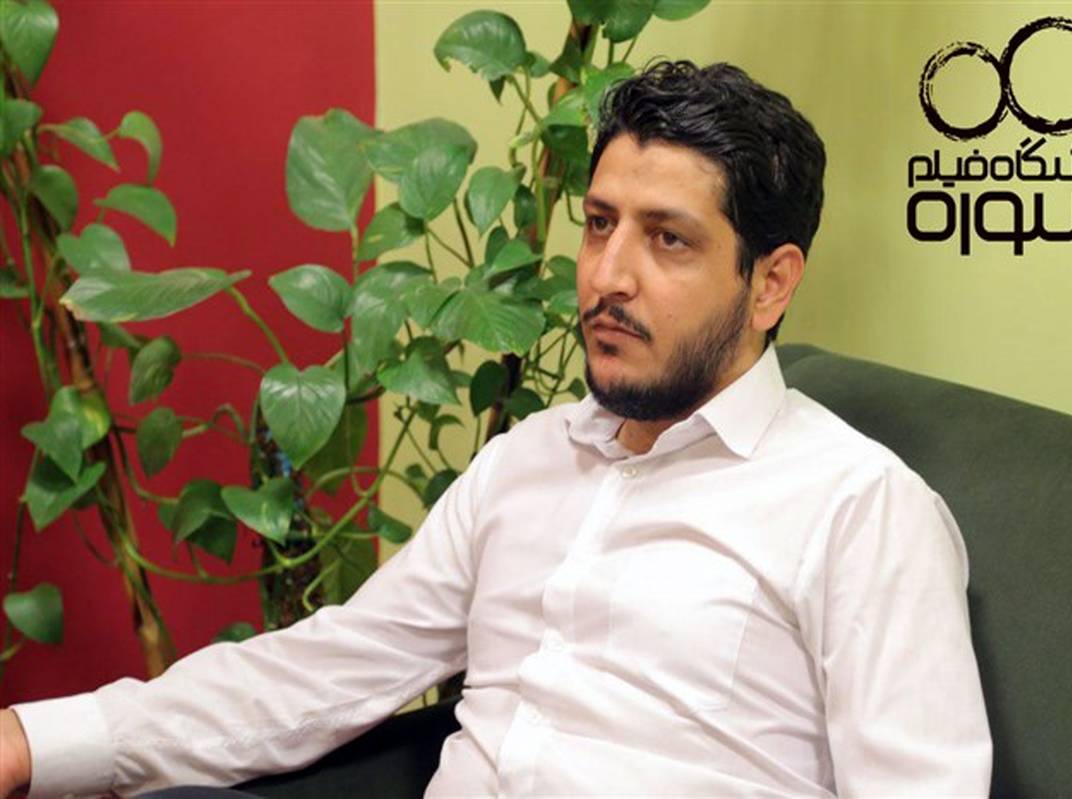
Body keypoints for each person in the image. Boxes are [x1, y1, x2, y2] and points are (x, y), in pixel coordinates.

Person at [0, 60, 992, 798]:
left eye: (668, 239)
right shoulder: (525, 462)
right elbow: (328, 668)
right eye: (599, 223)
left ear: (770, 283)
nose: (608, 276)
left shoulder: (861, 509)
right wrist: (33, 742)